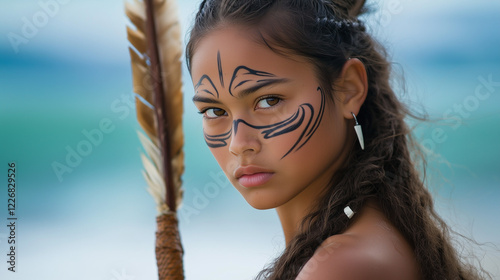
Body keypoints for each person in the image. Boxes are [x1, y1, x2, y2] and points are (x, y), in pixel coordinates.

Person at [185, 0, 485, 279]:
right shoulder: (372, 240)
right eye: (214, 110)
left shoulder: (341, 266)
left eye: (269, 101)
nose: (238, 144)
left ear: (348, 89)